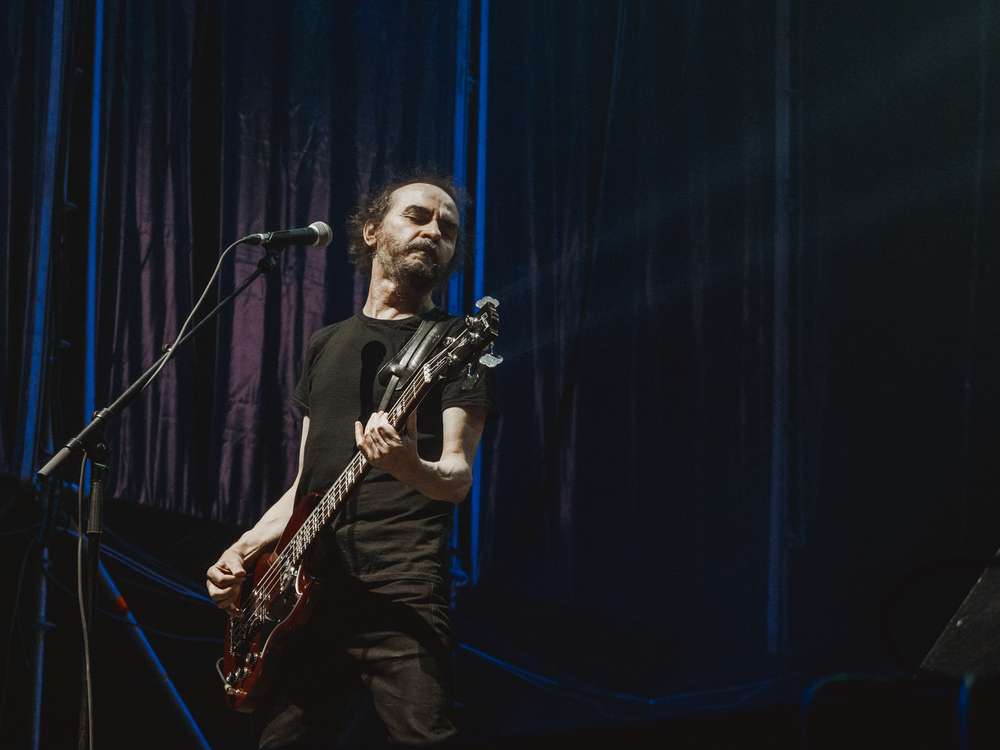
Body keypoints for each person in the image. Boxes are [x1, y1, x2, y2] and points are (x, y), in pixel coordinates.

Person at [206, 174, 499, 747]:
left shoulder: (457, 342)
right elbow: (305, 483)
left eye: (447, 228)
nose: (433, 231)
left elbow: (457, 478)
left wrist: (409, 466)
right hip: (306, 589)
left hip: (402, 586)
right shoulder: (326, 343)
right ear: (371, 231)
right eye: (417, 216)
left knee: (427, 736)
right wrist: (243, 550)